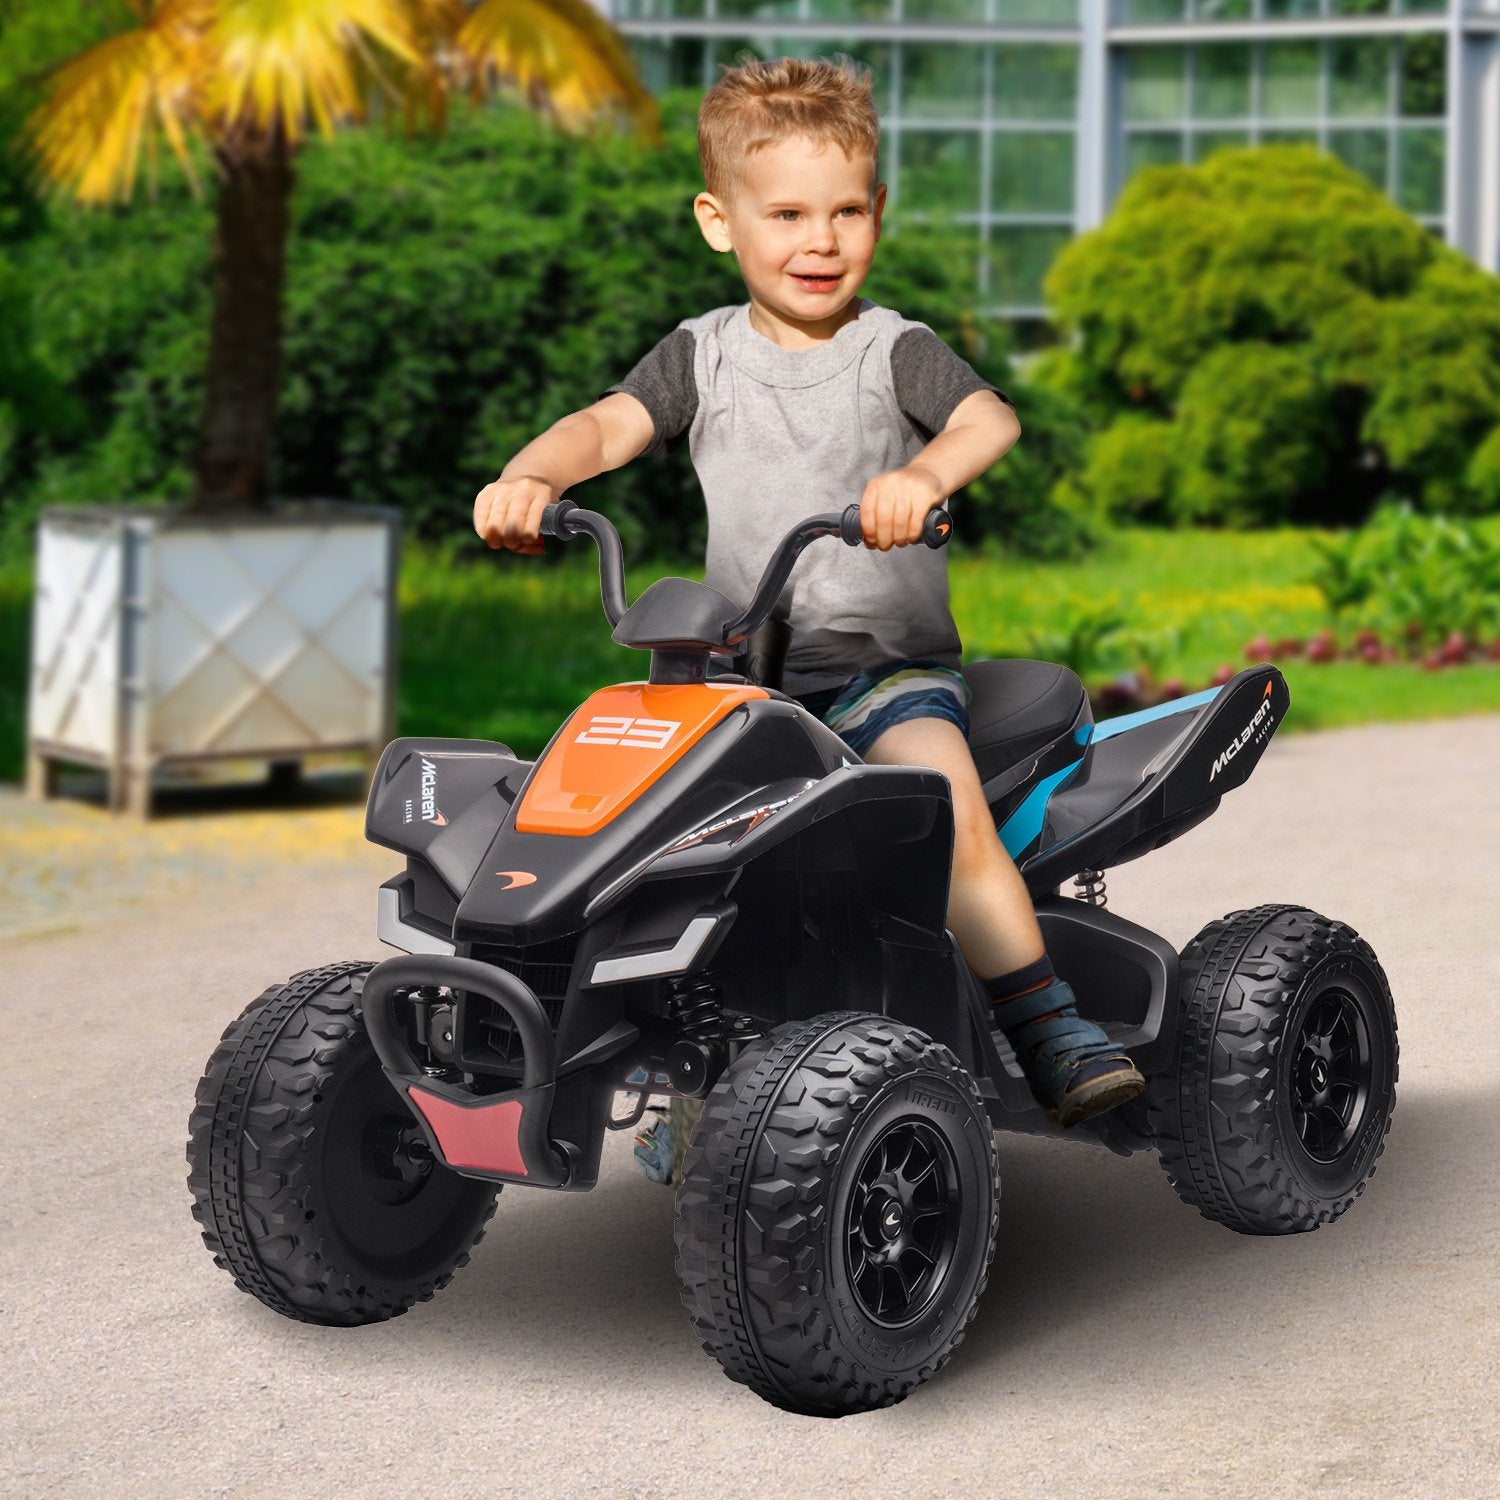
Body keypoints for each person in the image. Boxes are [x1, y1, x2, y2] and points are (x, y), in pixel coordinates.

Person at [472, 55, 1145, 1168]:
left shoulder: (893, 353)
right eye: (785, 213)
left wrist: (923, 480)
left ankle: (1046, 1020)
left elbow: (989, 420)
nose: (819, 240)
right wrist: (534, 476)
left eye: (844, 211)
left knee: (945, 801)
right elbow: (605, 425)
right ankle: (688, 1077)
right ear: (718, 221)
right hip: (738, 684)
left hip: (884, 671)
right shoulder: (701, 356)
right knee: (664, 857)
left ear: (877, 212)